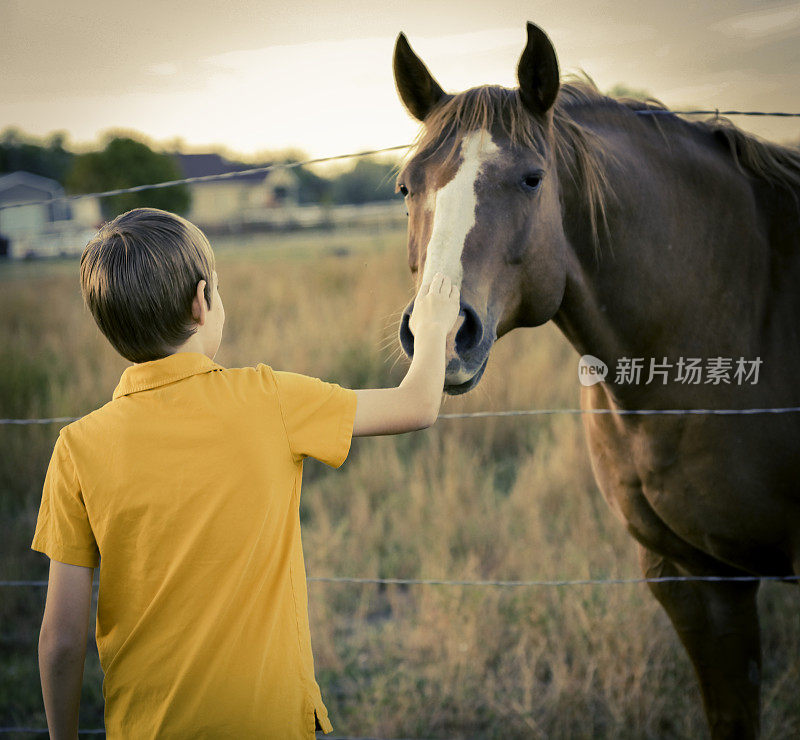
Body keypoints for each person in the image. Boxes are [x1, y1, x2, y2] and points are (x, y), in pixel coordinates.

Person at [31, 207, 459, 739]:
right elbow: (417, 405)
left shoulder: (77, 448)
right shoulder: (268, 399)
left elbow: (61, 641)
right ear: (202, 301)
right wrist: (435, 322)